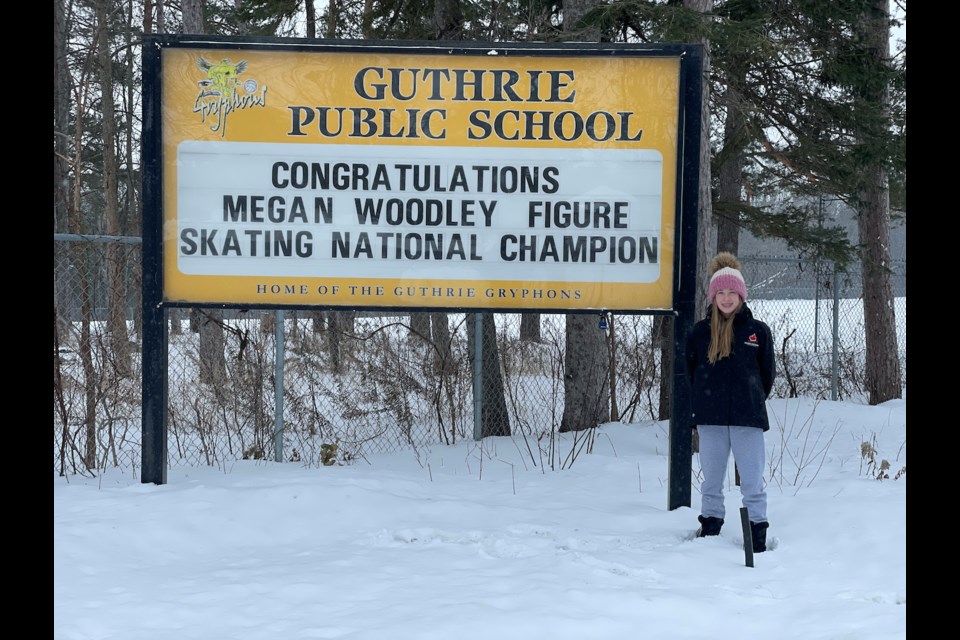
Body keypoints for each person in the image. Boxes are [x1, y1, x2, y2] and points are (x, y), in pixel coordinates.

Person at [685, 252, 776, 552]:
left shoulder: (758, 332)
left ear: (741, 295)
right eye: (720, 292)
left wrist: (748, 401)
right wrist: (705, 404)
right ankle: (711, 525)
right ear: (713, 296)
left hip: (747, 420)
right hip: (710, 421)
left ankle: (757, 532)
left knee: (751, 480)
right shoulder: (700, 333)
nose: (726, 298)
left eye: (731, 292)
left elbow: (766, 375)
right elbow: (691, 373)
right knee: (711, 479)